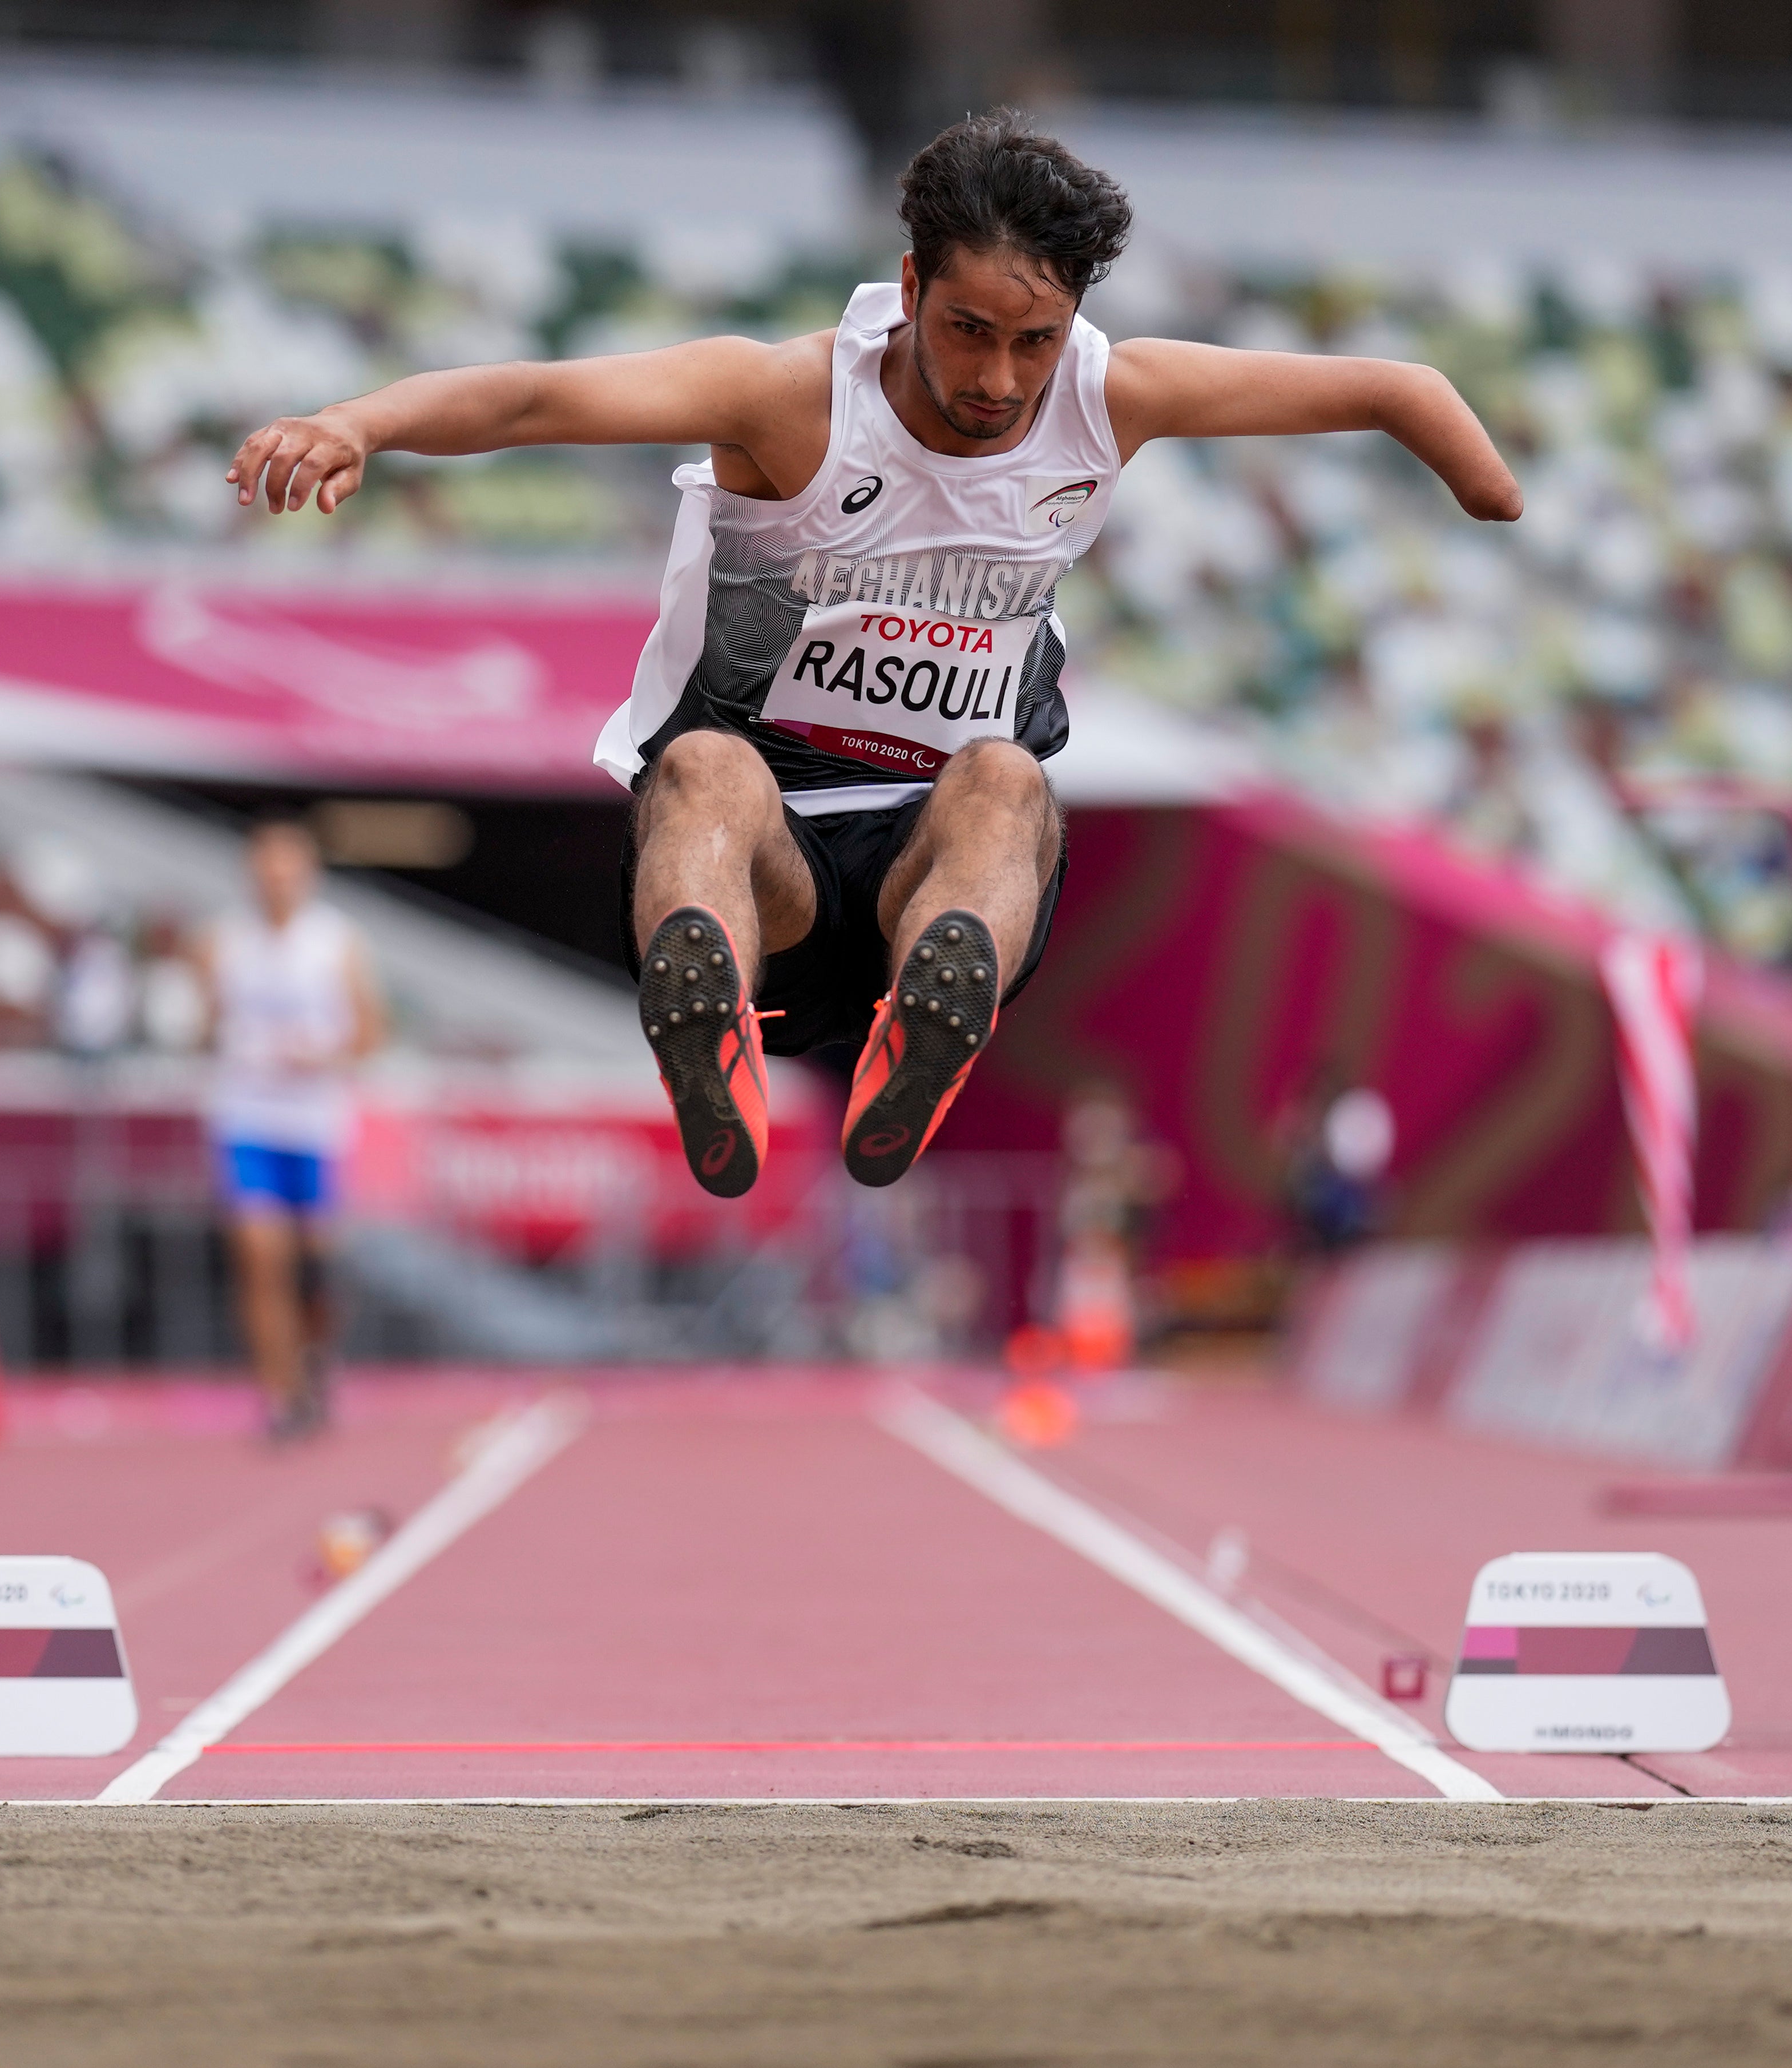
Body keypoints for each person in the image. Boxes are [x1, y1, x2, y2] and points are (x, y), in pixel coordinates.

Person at [227, 111, 1518, 1200]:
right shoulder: (790, 400)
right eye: (967, 329)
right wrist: (354, 423)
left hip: (935, 855)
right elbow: (532, 399)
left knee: (1008, 775)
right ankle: (708, 1027)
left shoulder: (1111, 396)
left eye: (1035, 340)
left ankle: (930, 1022)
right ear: (907, 289)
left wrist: (1481, 484)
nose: (1001, 379)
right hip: (761, 864)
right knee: (702, 771)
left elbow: (1394, 386)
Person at [200, 816, 384, 1443]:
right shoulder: (222, 942)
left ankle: (314, 1358)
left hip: (314, 1123)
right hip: (247, 1116)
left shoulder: (336, 942)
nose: (276, 882)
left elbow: (369, 1034)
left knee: (315, 1267)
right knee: (260, 1255)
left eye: (288, 871)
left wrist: (323, 1055)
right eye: (266, 871)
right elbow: (203, 1026)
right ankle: (278, 1393)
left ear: (306, 877)